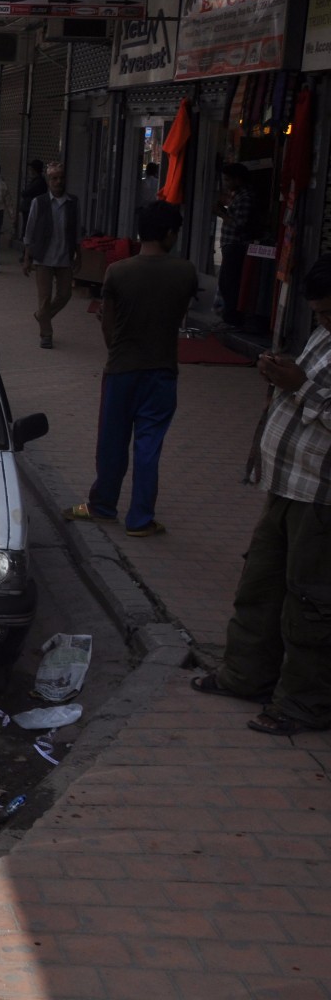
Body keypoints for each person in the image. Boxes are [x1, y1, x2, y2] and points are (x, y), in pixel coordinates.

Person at [194, 252, 331, 736]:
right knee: (262, 584)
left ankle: (303, 703)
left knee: (311, 602)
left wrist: (303, 388)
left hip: (322, 495)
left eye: (329, 312)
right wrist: (283, 376)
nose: (323, 320)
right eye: (318, 314)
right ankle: (246, 675)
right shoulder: (323, 332)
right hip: (287, 484)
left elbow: (316, 396)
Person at [67, 200, 198, 538]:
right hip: (162, 370)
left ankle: (104, 505)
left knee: (112, 441)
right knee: (148, 446)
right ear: (169, 233)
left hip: (123, 367)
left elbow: (107, 324)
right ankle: (140, 519)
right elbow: (176, 316)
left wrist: (119, 348)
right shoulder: (185, 272)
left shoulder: (118, 272)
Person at [21, 161, 80, 348]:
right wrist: (27, 257)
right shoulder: (39, 202)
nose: (58, 181)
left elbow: (77, 230)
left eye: (61, 178)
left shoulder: (73, 203)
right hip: (43, 257)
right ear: (48, 180)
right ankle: (46, 334)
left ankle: (42, 316)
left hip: (64, 257)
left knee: (65, 294)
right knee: (44, 297)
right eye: (54, 178)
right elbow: (29, 231)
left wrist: (79, 254)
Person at [218, 163, 257, 327]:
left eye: (228, 179)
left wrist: (221, 213)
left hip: (236, 244)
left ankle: (232, 317)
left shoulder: (246, 197)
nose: (225, 183)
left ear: (237, 179)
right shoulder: (236, 195)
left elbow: (240, 224)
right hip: (230, 243)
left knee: (231, 282)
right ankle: (228, 315)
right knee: (226, 281)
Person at [16, 159, 49, 252]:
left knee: (28, 231)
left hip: (32, 209)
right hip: (29, 209)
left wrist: (24, 193)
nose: (30, 171)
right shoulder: (37, 181)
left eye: (31, 169)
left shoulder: (39, 181)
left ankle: (27, 253)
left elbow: (27, 192)